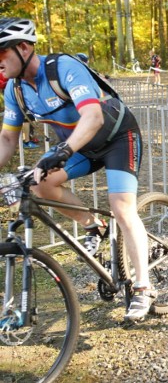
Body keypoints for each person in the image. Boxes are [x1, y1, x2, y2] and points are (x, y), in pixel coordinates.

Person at [0, 17, 155, 321]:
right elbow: (7, 138)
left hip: (117, 138)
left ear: (23, 47)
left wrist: (62, 151)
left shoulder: (63, 68)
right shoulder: (15, 91)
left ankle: (143, 287)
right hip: (79, 146)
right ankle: (92, 224)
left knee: (122, 208)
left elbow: (93, 117)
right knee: (39, 184)